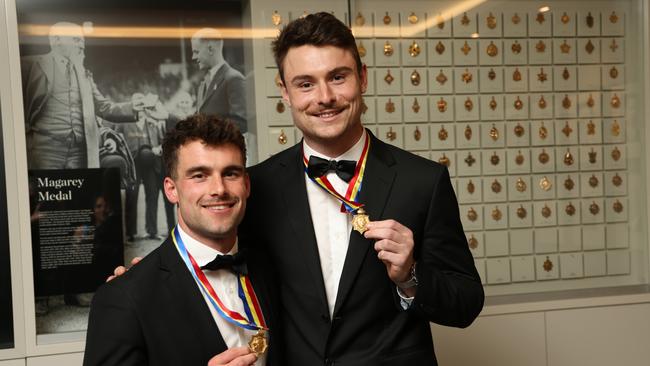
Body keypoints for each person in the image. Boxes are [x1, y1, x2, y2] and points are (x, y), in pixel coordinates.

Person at [241, 12, 485, 365]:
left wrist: (411, 275)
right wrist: (143, 278)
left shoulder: (423, 181)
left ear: (362, 77)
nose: (324, 97)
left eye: (337, 77)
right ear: (285, 92)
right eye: (305, 83)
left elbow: (466, 303)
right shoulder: (257, 186)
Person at [84, 115, 281, 366]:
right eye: (199, 175)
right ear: (171, 189)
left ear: (246, 184)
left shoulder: (272, 269)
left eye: (230, 173)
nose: (219, 189)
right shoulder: (123, 298)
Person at [20, 21, 142, 170]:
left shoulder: (84, 74)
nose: (82, 46)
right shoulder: (29, 65)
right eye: (76, 40)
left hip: (79, 152)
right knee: (49, 192)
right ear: (56, 40)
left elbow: (103, 107)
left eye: (83, 41)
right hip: (45, 150)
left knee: (80, 192)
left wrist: (132, 107)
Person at [115, 108, 168, 241]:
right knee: (132, 195)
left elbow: (162, 142)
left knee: (152, 194)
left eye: (144, 107)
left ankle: (152, 231)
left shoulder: (152, 124)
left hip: (150, 162)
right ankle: (131, 233)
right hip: (132, 162)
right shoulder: (124, 123)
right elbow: (115, 139)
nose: (142, 111)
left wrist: (158, 148)